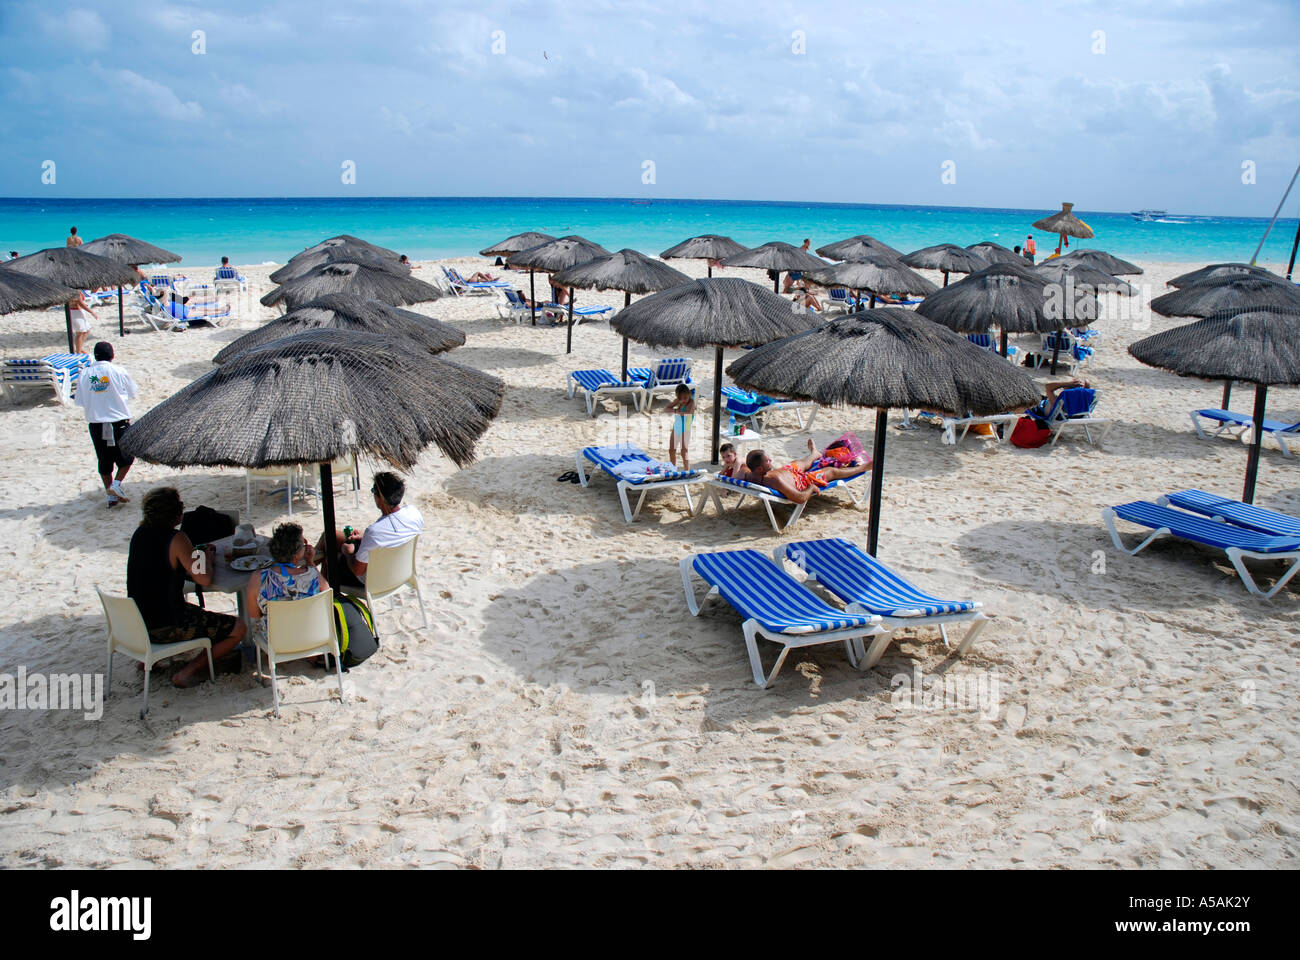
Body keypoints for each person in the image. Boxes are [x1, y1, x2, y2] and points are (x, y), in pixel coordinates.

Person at [127, 487, 247, 687]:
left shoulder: (139, 533)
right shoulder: (176, 538)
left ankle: (146, 659)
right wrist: (205, 557)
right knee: (238, 627)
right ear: (175, 512)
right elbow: (204, 579)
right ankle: (187, 672)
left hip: (136, 621)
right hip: (165, 624)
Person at [318, 471, 424, 589]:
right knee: (329, 536)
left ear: (380, 499)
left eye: (374, 491)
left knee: (330, 557)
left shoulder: (373, 532)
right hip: (401, 573)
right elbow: (394, 537)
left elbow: (357, 571)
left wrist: (348, 553)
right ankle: (308, 561)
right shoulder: (414, 513)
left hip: (376, 582)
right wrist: (364, 539)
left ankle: (310, 571)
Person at [76, 342, 138, 507]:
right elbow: (132, 393)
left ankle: (111, 497)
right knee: (127, 458)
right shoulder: (118, 371)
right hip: (118, 421)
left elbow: (80, 401)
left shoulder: (84, 374)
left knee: (104, 460)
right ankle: (116, 485)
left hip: (96, 423)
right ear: (112, 355)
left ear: (95, 356)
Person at [245, 522, 322, 641]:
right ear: (296, 555)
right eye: (304, 544)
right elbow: (326, 594)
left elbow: (254, 616)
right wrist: (310, 562)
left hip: (277, 641)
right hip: (310, 636)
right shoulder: (312, 575)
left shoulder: (258, 578)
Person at [743, 440, 872, 504]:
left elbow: (740, 467)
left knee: (799, 463)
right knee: (831, 471)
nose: (771, 460)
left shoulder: (748, 473)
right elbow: (799, 498)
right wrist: (811, 488)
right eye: (768, 461)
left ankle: (814, 454)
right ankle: (863, 467)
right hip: (803, 480)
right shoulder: (774, 480)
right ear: (760, 468)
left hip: (787, 471)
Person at [665, 384, 696, 470]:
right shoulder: (678, 401)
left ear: (689, 394)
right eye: (680, 399)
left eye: (685, 398)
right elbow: (666, 409)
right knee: (671, 450)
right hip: (676, 428)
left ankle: (687, 470)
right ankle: (673, 468)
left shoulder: (691, 403)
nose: (683, 401)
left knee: (684, 451)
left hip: (685, 430)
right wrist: (675, 410)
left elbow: (688, 412)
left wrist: (677, 410)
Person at [68, 290, 97, 354]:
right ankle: (78, 351)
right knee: (80, 333)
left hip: (78, 312)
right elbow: (81, 303)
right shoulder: (75, 292)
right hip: (76, 312)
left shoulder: (77, 291)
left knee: (87, 330)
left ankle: (79, 348)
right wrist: (92, 312)